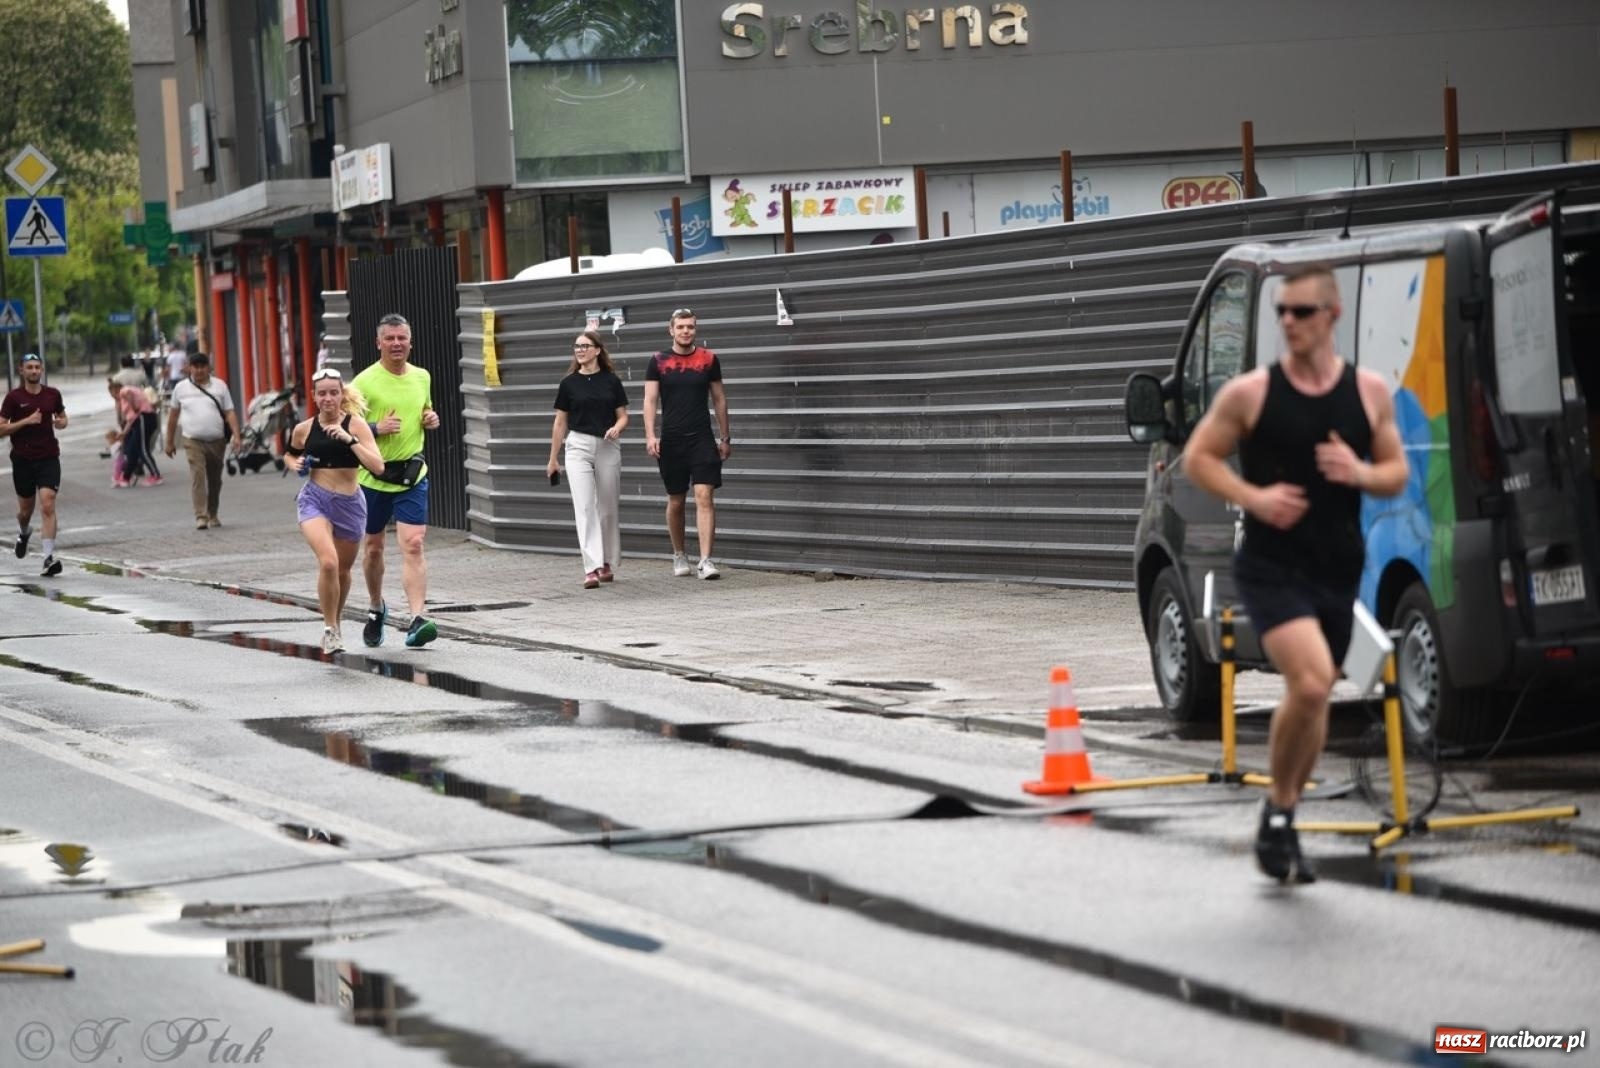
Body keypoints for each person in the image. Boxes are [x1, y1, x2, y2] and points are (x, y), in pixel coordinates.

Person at [1183, 265, 1408, 884]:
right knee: (1309, 684)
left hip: (1336, 564)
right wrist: (1253, 498)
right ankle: (1280, 817)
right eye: (1282, 310)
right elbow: (1198, 457)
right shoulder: (1251, 393)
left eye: (1301, 311)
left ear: (1332, 315)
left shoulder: (1368, 392)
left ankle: (1280, 811)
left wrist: (1357, 472)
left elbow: (1395, 472)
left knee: (1314, 699)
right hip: (1269, 563)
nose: (1288, 321)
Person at [353, 313, 441, 649]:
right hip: (372, 477)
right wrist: (376, 429)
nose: (396, 344)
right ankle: (376, 607)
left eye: (401, 338)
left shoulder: (422, 377)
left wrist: (430, 419)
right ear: (378, 343)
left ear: (410, 341)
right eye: (389, 338)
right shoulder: (363, 383)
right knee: (373, 548)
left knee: (414, 543)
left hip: (411, 474)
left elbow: (424, 412)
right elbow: (346, 428)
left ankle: (418, 618)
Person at [284, 368, 386, 653]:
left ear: (342, 395)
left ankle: (336, 622)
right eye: (322, 393)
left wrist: (348, 440)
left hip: (350, 504)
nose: (328, 398)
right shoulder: (304, 429)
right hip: (314, 499)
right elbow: (290, 454)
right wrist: (296, 465)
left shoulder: (356, 426)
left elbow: (378, 466)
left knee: (342, 570)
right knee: (327, 562)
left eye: (333, 392)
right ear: (314, 397)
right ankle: (329, 629)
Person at [642, 308, 731, 580]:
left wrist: (725, 437)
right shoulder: (657, 361)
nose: (685, 331)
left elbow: (719, 399)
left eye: (690, 327)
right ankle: (679, 553)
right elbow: (649, 400)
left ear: (696, 329)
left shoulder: (708, 359)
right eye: (680, 327)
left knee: (705, 495)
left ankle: (706, 560)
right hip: (672, 440)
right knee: (677, 500)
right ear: (671, 330)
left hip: (702, 439)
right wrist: (650, 435)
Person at [546, 330, 629, 588]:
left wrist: (618, 427)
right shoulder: (569, 383)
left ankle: (607, 562)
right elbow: (560, 422)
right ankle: (591, 567)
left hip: (607, 444)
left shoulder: (611, 381)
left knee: (607, 506)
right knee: (584, 507)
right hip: (578, 445)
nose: (580, 350)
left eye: (585, 346)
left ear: (597, 350)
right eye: (577, 346)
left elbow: (624, 416)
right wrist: (553, 459)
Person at [0, 353, 68, 577]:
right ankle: (24, 532)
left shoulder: (52, 395)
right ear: (21, 371)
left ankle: (47, 559)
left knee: (48, 504)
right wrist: (26, 421)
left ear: (42, 369)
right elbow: (1, 430)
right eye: (29, 367)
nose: (34, 371)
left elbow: (62, 416)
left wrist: (61, 422)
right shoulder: (13, 398)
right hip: (23, 460)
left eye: (37, 367)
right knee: (25, 512)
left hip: (48, 457)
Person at [164, 353, 243, 529]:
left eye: (202, 366)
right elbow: (173, 416)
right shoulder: (180, 388)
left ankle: (213, 513)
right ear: (189, 368)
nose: (199, 370)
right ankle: (201, 515)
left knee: (215, 479)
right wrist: (169, 442)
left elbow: (229, 412)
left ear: (208, 367)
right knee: (197, 475)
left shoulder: (220, 386)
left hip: (217, 440)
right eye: (195, 366)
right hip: (192, 440)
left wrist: (237, 436)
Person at [110, 378, 162, 486]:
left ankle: (156, 475)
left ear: (115, 390)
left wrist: (133, 404)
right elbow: (131, 419)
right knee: (135, 449)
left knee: (143, 449)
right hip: (142, 419)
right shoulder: (124, 397)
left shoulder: (123, 391)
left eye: (112, 394)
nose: (113, 398)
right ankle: (126, 477)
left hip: (144, 418)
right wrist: (124, 433)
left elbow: (127, 392)